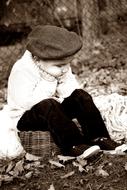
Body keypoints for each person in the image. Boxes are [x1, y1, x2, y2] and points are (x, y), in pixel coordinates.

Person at [7, 25, 122, 157]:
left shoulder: (58, 65)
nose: (65, 68)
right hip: (25, 116)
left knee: (80, 96)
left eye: (68, 63)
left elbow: (70, 91)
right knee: (49, 104)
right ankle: (73, 145)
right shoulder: (22, 70)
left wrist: (65, 89)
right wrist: (48, 82)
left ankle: (99, 138)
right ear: (37, 59)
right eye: (60, 66)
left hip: (54, 111)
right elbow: (26, 103)